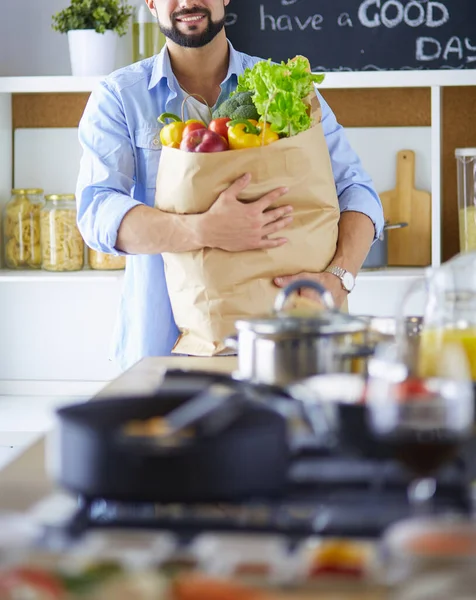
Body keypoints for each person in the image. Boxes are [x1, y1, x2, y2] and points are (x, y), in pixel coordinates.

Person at [76, 0, 384, 372]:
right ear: (151, 3)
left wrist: (339, 278)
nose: (188, 2)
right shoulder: (120, 97)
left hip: (286, 343)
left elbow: (357, 190)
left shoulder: (281, 87)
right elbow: (97, 212)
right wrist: (204, 230)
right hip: (163, 349)